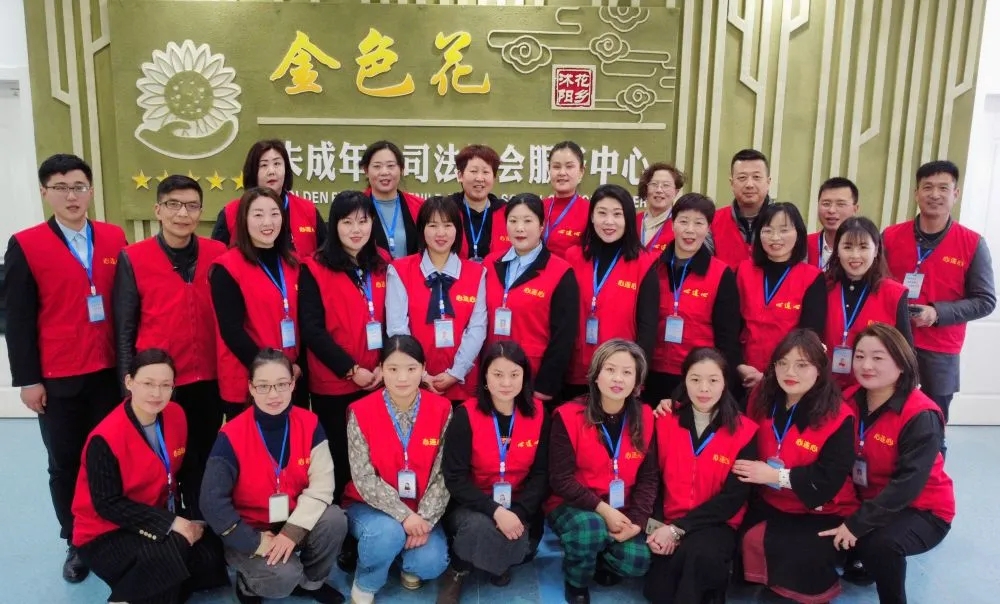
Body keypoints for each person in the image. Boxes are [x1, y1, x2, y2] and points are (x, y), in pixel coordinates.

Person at [4, 153, 128, 581]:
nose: (71, 196)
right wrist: (27, 380)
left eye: (78, 187)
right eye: (60, 188)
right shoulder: (26, 244)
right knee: (65, 462)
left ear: (90, 191)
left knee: (110, 456)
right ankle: (76, 540)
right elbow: (17, 319)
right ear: (45, 193)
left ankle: (112, 528)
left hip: (109, 373)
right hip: (58, 378)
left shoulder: (113, 238)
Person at [71, 349, 229, 604]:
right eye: (148, 383)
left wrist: (197, 519)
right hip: (106, 533)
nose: (157, 393)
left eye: (165, 385)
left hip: (157, 512)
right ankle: (122, 599)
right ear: (129, 382)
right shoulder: (105, 437)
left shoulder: (176, 415)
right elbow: (107, 504)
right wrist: (171, 523)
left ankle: (160, 585)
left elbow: (189, 472)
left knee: (212, 556)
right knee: (175, 548)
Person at [114, 175, 227, 519]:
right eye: (173, 205)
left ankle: (202, 520)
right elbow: (125, 328)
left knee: (205, 453)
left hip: (209, 377)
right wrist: (128, 385)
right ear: (158, 210)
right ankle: (165, 525)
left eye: (192, 206)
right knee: (163, 457)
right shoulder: (133, 258)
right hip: (161, 382)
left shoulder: (218, 253)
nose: (183, 214)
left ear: (201, 212)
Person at [820, 323, 954, 604]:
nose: (866, 365)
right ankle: (859, 561)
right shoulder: (848, 400)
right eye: (859, 356)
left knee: (880, 545)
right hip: (866, 500)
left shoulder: (921, 415)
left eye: (878, 358)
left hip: (920, 510)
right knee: (815, 535)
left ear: (902, 364)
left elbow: (907, 486)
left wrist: (857, 524)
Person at [201, 348, 347, 604]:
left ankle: (311, 583)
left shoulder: (310, 423)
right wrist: (254, 541)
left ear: (292, 385)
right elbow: (211, 502)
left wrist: (291, 532)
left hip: (293, 519)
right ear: (251, 387)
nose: (273, 394)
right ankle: (249, 585)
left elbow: (323, 485)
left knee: (335, 519)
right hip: (250, 528)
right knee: (284, 576)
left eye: (281, 384)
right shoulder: (231, 435)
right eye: (263, 386)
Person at [734, 329, 857, 603]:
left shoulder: (839, 416)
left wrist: (776, 475)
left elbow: (829, 478)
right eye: (783, 363)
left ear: (819, 369)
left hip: (820, 508)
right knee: (729, 547)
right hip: (769, 501)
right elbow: (729, 425)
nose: (790, 372)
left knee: (802, 556)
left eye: (802, 365)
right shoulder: (761, 397)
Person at [882, 160, 996, 432]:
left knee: (932, 421)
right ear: (916, 193)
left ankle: (933, 460)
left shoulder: (972, 243)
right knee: (887, 416)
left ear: (955, 194)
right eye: (927, 187)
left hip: (940, 349)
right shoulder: (891, 236)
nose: (935, 194)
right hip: (893, 342)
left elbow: (985, 301)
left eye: (943, 188)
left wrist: (937, 313)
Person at [341, 335, 452, 604]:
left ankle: (398, 558)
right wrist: (404, 517)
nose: (402, 378)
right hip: (369, 505)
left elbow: (443, 473)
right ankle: (367, 582)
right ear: (381, 369)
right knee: (387, 532)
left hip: (421, 508)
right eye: (393, 369)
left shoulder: (442, 409)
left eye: (411, 368)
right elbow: (363, 477)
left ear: (423, 368)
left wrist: (424, 519)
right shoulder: (360, 411)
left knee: (431, 562)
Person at [546, 339, 658, 604]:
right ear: (596, 375)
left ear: (637, 382)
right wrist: (604, 510)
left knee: (639, 560)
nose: (618, 378)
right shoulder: (568, 416)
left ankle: (596, 558)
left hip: (623, 507)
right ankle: (576, 581)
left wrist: (637, 522)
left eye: (627, 372)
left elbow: (649, 478)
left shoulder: (646, 417)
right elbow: (560, 480)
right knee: (590, 528)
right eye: (610, 369)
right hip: (572, 504)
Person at [437, 342, 550, 603]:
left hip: (521, 505)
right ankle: (458, 570)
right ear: (485, 377)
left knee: (524, 544)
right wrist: (497, 512)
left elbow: (542, 474)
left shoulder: (540, 414)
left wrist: (518, 513)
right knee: (480, 527)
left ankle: (494, 558)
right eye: (497, 374)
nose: (506, 383)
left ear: (525, 376)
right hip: (473, 505)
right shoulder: (465, 415)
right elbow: (454, 477)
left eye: (514, 374)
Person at [644, 348, 757, 604]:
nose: (703, 388)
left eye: (713, 380)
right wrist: (658, 526)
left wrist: (679, 529)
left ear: (725, 383)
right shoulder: (664, 420)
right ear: (684, 380)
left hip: (716, 523)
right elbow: (652, 481)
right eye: (695, 379)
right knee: (658, 591)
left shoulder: (744, 431)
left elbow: (734, 497)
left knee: (699, 556)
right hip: (669, 519)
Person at [300, 191, 389, 504]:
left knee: (374, 456)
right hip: (334, 384)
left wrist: (384, 365)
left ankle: (371, 516)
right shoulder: (313, 267)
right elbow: (312, 330)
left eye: (363, 221)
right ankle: (340, 523)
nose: (356, 230)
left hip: (378, 380)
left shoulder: (382, 263)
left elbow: (393, 319)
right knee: (339, 456)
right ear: (334, 225)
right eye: (347, 222)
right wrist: (351, 370)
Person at [386, 196, 488, 404]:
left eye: (448, 225)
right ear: (422, 229)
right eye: (433, 225)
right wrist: (420, 374)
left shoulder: (477, 273)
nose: (441, 233)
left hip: (463, 384)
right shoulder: (400, 270)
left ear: (457, 230)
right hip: (412, 383)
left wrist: (456, 373)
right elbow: (397, 328)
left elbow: (477, 328)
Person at [483, 193, 580, 411]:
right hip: (492, 374)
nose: (520, 228)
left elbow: (564, 336)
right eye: (513, 221)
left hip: (533, 377)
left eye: (528, 221)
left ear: (541, 226)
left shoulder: (560, 271)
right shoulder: (490, 263)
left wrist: (545, 385)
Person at [210, 187, 301, 415]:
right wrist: (272, 371)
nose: (267, 222)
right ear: (244, 219)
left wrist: (291, 369)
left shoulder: (293, 263)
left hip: (290, 377)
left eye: (274, 213)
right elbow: (232, 332)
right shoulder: (227, 267)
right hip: (248, 379)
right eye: (258, 215)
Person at [563, 184, 658, 400]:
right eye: (602, 213)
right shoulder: (573, 257)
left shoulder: (643, 263)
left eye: (617, 214)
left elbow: (648, 327)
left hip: (620, 375)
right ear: (591, 217)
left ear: (628, 219)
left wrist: (637, 375)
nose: (609, 222)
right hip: (575, 370)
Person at [646, 193, 743, 404]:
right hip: (652, 372)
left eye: (699, 223)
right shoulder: (652, 267)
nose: (690, 230)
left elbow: (728, 338)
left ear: (708, 228)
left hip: (698, 377)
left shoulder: (721, 274)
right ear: (672, 224)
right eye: (683, 221)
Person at [736, 202, 826, 391]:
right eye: (767, 230)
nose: (775, 237)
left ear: (798, 234)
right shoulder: (743, 271)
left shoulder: (812, 278)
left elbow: (809, 337)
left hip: (787, 377)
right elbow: (730, 327)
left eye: (784, 230)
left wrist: (768, 377)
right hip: (743, 373)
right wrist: (739, 366)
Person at [824, 217, 912, 384]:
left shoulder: (894, 293)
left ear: (876, 249)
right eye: (847, 247)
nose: (855, 255)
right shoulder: (822, 286)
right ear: (837, 250)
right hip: (825, 386)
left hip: (872, 387)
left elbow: (906, 352)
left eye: (863, 247)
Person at [211, 139, 326, 256]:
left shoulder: (308, 210)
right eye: (264, 165)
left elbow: (325, 256)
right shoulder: (231, 213)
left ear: (286, 169)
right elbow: (216, 257)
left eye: (277, 164)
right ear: (253, 171)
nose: (271, 171)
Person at [361, 140, 425, 259]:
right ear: (366, 171)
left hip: (411, 271)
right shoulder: (356, 207)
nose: (384, 172)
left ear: (401, 169)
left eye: (390, 166)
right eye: (377, 166)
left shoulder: (420, 206)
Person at [711, 148, 773, 270]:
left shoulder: (787, 222)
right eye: (742, 177)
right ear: (732, 183)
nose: (749, 184)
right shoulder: (712, 221)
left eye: (756, 177)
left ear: (768, 182)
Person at [448, 144, 509, 260]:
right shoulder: (446, 209)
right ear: (460, 175)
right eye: (474, 171)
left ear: (494, 178)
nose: (480, 178)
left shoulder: (507, 212)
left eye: (486, 172)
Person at [542, 141, 590, 258]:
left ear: (581, 171)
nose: (562, 173)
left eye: (569, 166)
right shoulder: (538, 207)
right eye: (556, 167)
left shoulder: (590, 211)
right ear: (549, 170)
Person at [807, 177, 859, 268]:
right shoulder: (804, 245)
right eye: (826, 204)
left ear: (855, 209)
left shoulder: (865, 249)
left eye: (840, 204)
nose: (831, 210)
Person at [636, 162, 683, 253]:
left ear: (676, 192)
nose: (659, 190)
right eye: (654, 184)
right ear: (646, 188)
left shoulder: (681, 224)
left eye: (666, 185)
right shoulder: (633, 221)